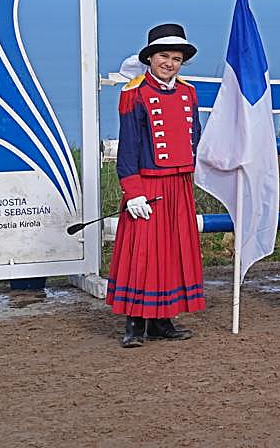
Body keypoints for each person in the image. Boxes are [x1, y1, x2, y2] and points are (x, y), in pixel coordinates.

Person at [107, 23, 205, 348]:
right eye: (164, 56)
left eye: (176, 58)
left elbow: (196, 139)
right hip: (148, 186)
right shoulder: (134, 94)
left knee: (173, 254)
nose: (170, 63)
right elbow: (128, 148)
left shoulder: (188, 93)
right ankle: (134, 324)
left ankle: (163, 320)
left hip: (178, 185)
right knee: (144, 256)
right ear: (150, 57)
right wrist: (132, 191)